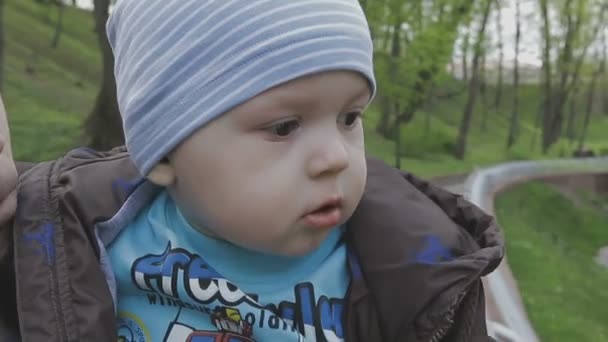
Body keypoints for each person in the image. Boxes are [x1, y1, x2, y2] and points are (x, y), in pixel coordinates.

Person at [0, 0, 504, 341]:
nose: (336, 157)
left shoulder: (415, 278)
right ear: (165, 154)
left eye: (349, 118)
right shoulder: (66, 240)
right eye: (284, 127)